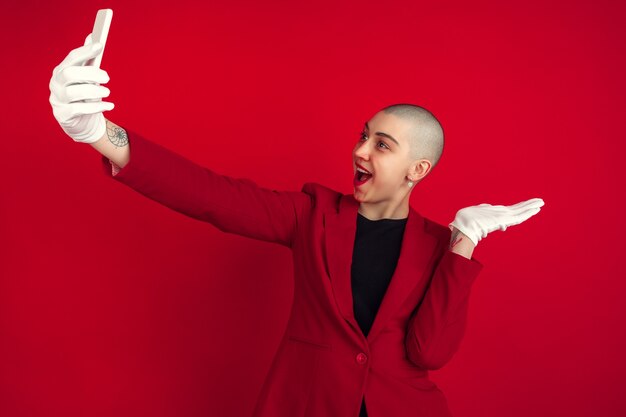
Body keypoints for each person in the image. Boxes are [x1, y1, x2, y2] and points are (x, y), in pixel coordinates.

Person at [49, 33, 545, 417]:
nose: (360, 150)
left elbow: (429, 351)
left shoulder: (439, 245)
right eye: (364, 136)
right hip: (306, 404)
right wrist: (97, 133)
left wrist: (463, 243)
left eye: (382, 145)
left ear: (418, 170)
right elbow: (207, 194)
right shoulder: (311, 215)